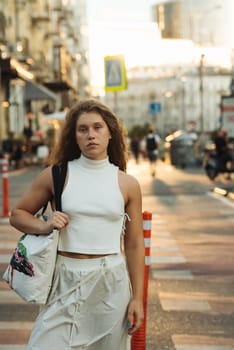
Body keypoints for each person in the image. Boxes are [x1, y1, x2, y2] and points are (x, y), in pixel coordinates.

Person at [9, 99, 145, 350]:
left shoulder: (127, 184)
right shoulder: (56, 175)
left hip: (110, 284)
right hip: (64, 279)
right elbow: (17, 214)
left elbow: (135, 244)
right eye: (83, 129)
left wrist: (137, 298)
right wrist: (45, 225)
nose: (91, 135)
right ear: (74, 136)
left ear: (110, 133)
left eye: (97, 127)